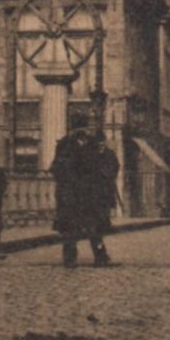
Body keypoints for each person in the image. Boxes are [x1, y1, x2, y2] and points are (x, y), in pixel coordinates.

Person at [51, 114, 116, 268]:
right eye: (77, 127)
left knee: (94, 228)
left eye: (83, 127)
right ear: (73, 129)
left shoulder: (94, 144)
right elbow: (57, 168)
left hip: (89, 192)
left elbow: (104, 166)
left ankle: (101, 257)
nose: (81, 130)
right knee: (70, 229)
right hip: (70, 193)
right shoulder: (64, 144)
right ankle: (70, 258)